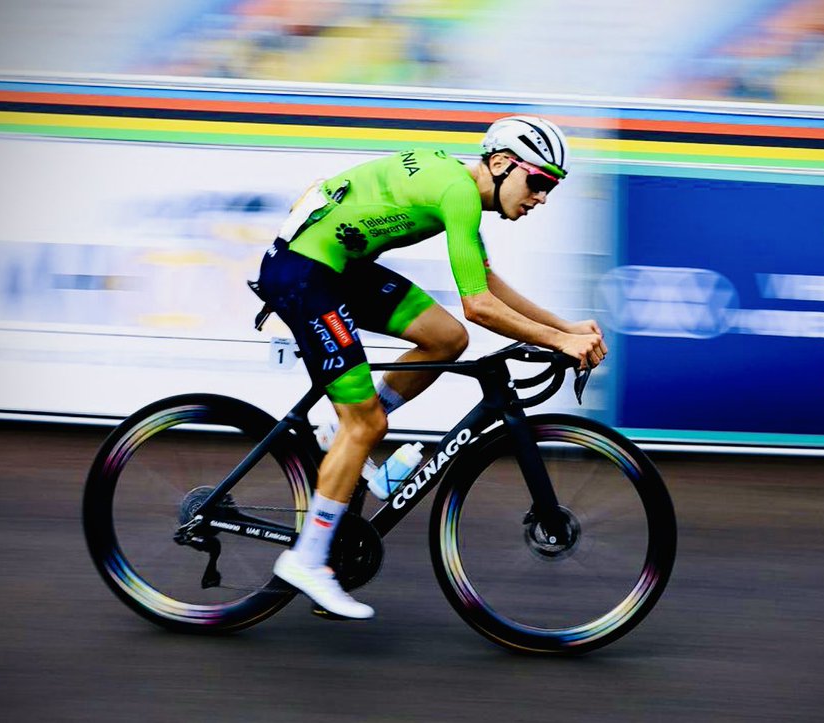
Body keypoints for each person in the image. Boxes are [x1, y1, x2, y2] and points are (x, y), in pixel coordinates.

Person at [250, 115, 607, 619]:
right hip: (305, 272)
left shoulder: (459, 189)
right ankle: (307, 558)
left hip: (337, 266)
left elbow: (484, 281)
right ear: (502, 164)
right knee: (369, 422)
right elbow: (480, 305)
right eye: (539, 181)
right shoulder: (458, 194)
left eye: (551, 188)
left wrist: (566, 328)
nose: (542, 197)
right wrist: (560, 341)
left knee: (446, 339)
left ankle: (343, 427)